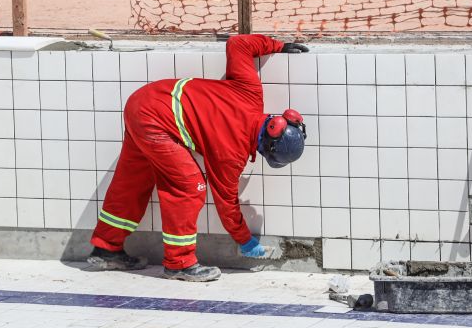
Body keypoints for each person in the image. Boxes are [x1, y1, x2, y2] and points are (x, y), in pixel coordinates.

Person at [87, 35, 309, 281]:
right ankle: (179, 263)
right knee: (189, 187)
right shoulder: (230, 155)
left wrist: (277, 45)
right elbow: (227, 206)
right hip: (155, 121)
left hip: (145, 99)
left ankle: (106, 248)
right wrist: (245, 240)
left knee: (133, 180)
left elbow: (239, 44)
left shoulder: (251, 93)